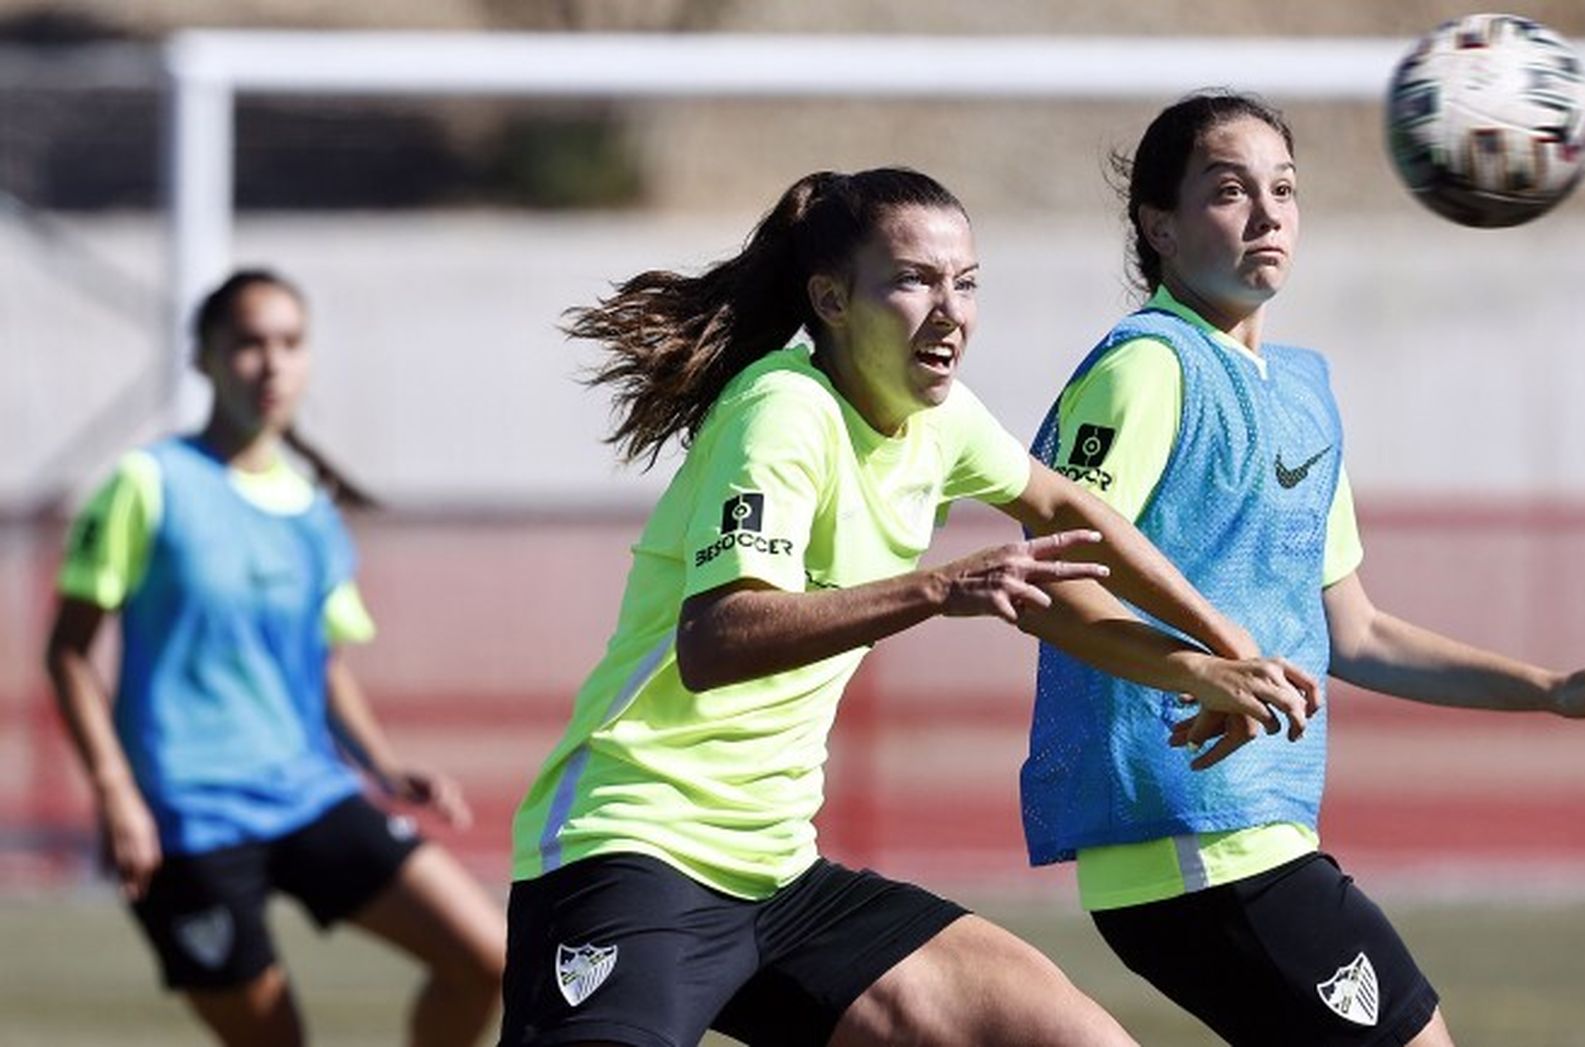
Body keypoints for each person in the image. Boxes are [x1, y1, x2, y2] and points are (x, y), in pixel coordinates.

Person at [500, 167, 1318, 1047]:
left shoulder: (942, 421)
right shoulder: (781, 414)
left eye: (965, 284)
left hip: (778, 875)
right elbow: (717, 638)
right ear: (832, 299)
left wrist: (1225, 646)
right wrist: (934, 588)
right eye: (913, 280)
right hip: (632, 846)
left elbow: (1072, 513)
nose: (950, 311)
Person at [1019, 91, 1585, 1047]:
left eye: (1284, 189)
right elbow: (1048, 583)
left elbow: (1354, 635)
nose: (1267, 213)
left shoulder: (1301, 390)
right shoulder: (1148, 368)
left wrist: (1547, 690)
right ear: (1159, 226)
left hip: (1260, 833)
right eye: (1230, 191)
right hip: (1192, 835)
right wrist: (1198, 670)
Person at [43, 269, 505, 1047]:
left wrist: (386, 768)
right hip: (189, 818)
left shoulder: (312, 510)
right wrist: (117, 791)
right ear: (205, 358)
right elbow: (68, 653)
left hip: (308, 793)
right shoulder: (147, 484)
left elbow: (320, 663)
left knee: (488, 956)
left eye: (289, 343)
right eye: (249, 343)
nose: (271, 363)